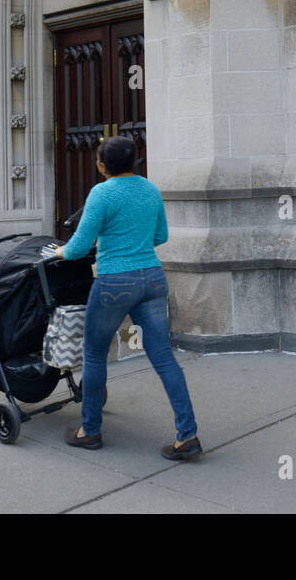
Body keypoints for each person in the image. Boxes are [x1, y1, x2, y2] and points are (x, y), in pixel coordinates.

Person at [45, 135, 200, 460]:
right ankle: (187, 436)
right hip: (153, 280)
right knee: (163, 357)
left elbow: (78, 247)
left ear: (102, 165)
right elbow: (161, 235)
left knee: (94, 354)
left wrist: (60, 250)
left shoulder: (101, 193)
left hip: (115, 282)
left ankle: (89, 430)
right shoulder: (150, 189)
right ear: (133, 161)